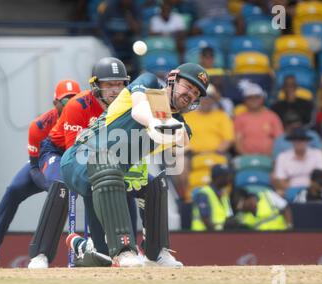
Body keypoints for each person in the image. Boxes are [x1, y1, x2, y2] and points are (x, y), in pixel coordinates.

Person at [61, 62, 210, 267]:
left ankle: (155, 253)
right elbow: (138, 109)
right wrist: (153, 121)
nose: (190, 95)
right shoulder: (148, 83)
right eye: (188, 87)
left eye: (195, 93)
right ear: (173, 80)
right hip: (79, 159)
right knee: (108, 165)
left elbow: (182, 141)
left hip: (111, 179)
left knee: (155, 185)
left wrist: (173, 129)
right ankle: (125, 251)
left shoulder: (179, 123)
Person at [27, 57, 138, 269]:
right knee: (61, 183)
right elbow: (75, 155)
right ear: (96, 86)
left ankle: (127, 248)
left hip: (101, 157)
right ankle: (40, 254)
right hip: (62, 153)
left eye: (119, 84)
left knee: (121, 184)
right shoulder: (78, 105)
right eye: (108, 85)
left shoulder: (128, 106)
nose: (115, 90)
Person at [0, 79, 81, 270]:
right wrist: (52, 187)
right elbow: (34, 167)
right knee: (13, 191)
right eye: (65, 101)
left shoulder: (84, 116)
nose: (69, 106)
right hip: (43, 165)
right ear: (55, 103)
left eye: (74, 101)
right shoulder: (40, 126)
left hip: (74, 163)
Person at [273, 127, 322, 195]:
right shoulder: (283, 156)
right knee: (279, 192)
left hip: (313, 189)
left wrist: (309, 189)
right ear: (292, 141)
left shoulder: (317, 154)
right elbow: (280, 179)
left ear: (307, 141)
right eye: (296, 140)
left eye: (302, 139)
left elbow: (319, 177)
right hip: (290, 189)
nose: (299, 142)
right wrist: (292, 191)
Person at [234, 82, 283, 156]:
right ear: (245, 100)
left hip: (270, 157)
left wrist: (271, 155)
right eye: (250, 97)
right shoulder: (239, 118)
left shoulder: (272, 116)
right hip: (246, 158)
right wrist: (247, 156)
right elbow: (237, 142)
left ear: (262, 99)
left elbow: (279, 140)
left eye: (257, 97)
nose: (254, 100)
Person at [191, 164, 233, 231]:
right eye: (226, 175)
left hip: (221, 235)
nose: (229, 178)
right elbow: (205, 220)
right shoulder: (204, 193)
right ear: (218, 177)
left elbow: (229, 218)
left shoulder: (224, 195)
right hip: (203, 235)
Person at [229, 187, 293, 231]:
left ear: (245, 199)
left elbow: (286, 208)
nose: (241, 209)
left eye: (242, 205)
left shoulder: (268, 196)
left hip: (281, 234)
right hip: (262, 241)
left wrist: (289, 228)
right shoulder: (242, 217)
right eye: (240, 209)